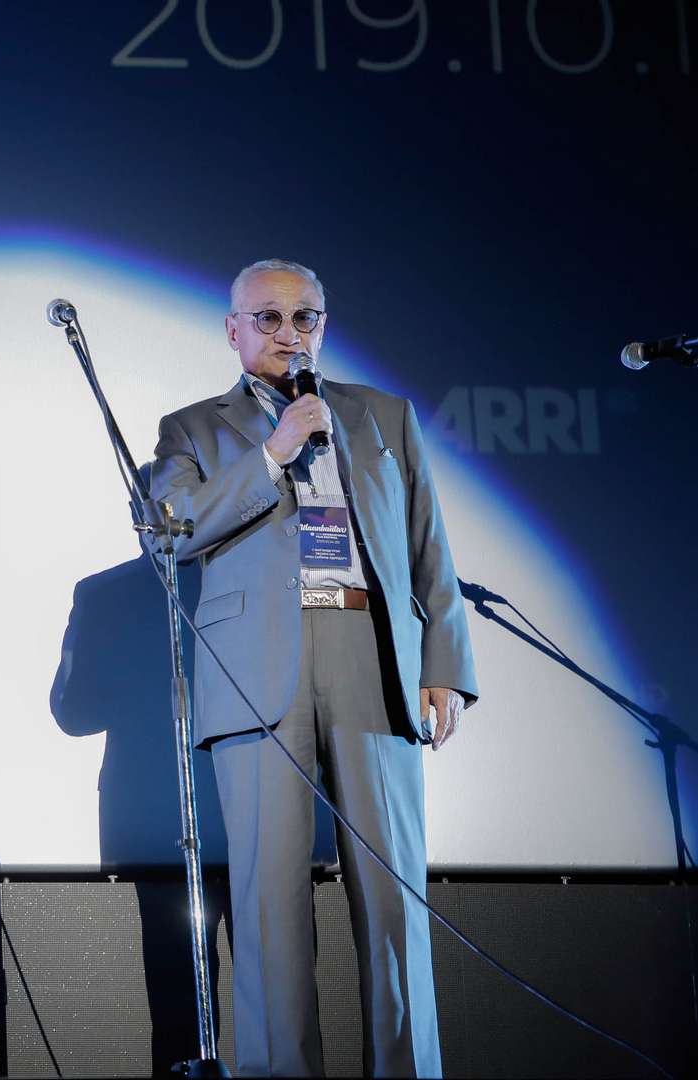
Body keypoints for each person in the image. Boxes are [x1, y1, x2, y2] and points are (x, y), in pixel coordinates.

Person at [149, 259, 477, 1077]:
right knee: (269, 903)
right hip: (257, 670)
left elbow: (428, 547)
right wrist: (274, 451)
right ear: (233, 330)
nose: (288, 333)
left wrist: (443, 663)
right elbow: (170, 531)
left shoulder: (382, 415)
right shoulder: (190, 429)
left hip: (371, 654)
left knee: (394, 895)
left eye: (305, 318)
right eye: (268, 317)